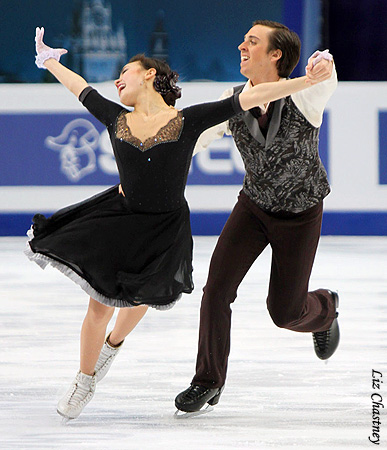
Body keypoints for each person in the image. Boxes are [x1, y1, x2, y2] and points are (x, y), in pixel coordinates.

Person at [26, 26, 327, 421]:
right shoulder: (116, 117)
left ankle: (111, 347)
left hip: (167, 230)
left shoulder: (188, 121)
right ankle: (86, 380)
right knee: (100, 303)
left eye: (127, 71)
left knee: (145, 294)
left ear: (150, 74)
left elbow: (253, 95)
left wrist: (307, 79)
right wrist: (49, 62)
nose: (119, 79)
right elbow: (80, 87)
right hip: (120, 220)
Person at [175, 20, 339, 414]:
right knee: (215, 290)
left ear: (276, 54)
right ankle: (207, 381)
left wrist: (324, 63)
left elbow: (326, 71)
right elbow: (194, 141)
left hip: (300, 214)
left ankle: (326, 309)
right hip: (253, 207)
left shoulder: (305, 96)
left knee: (285, 313)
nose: (241, 46)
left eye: (252, 41)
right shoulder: (232, 100)